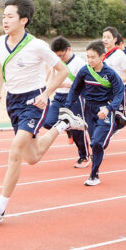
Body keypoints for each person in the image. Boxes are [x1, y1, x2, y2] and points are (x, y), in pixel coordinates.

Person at [0, 0, 87, 227]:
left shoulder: (37, 45)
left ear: (23, 20)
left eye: (10, 16)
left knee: (15, 150)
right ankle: (62, 124)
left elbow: (63, 70)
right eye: (3, 16)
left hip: (33, 103)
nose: (5, 20)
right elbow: (1, 66)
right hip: (12, 102)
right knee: (32, 157)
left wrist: (45, 95)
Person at [64, 40, 126, 186]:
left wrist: (109, 108)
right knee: (95, 143)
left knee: (97, 143)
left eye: (93, 57)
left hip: (104, 110)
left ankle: (94, 175)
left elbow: (119, 92)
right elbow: (75, 89)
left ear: (102, 56)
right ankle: (120, 123)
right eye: (88, 57)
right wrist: (67, 107)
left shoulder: (110, 74)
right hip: (88, 110)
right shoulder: (85, 71)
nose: (90, 60)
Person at [43, 36, 89, 168]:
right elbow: (51, 82)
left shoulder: (79, 63)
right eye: (57, 56)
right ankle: (66, 126)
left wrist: (64, 85)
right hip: (58, 97)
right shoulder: (56, 62)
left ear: (68, 49)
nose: (60, 59)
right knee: (48, 122)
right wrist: (52, 71)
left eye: (61, 55)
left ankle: (84, 156)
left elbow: (84, 84)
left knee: (77, 130)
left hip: (73, 98)